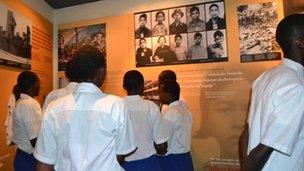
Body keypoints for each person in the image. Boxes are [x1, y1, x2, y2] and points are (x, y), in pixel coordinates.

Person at [34, 45, 137, 171]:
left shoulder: (53, 108)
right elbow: (121, 154)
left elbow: (44, 163)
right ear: (102, 71)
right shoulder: (116, 105)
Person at [240, 14, 304, 170]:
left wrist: (245, 162)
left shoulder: (265, 77)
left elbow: (246, 134)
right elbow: (263, 151)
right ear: (300, 42)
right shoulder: (296, 87)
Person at [122, 70, 169, 171]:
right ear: (142, 86)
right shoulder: (151, 107)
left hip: (123, 165)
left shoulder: (116, 106)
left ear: (124, 86)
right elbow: (162, 147)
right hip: (149, 164)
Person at [158, 81, 194, 171]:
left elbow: (163, 148)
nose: (159, 96)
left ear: (168, 95)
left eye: (160, 92)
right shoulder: (186, 110)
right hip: (186, 159)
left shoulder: (169, 114)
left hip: (172, 161)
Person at [12, 71, 41, 171]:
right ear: (35, 85)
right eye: (39, 84)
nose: (40, 87)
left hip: (25, 157)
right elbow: (35, 140)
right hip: (29, 159)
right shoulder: (28, 105)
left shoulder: (23, 102)